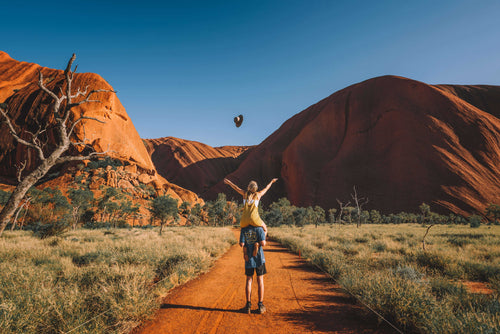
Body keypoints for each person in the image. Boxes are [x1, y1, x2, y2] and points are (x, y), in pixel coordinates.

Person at [223, 178, 278, 314]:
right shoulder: (258, 195)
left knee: (248, 279)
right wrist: (271, 182)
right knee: (264, 229)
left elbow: (235, 187)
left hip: (244, 222)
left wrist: (229, 182)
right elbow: (266, 189)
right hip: (255, 220)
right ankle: (260, 305)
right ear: (256, 188)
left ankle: (247, 305)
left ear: (248, 188)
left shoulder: (244, 194)